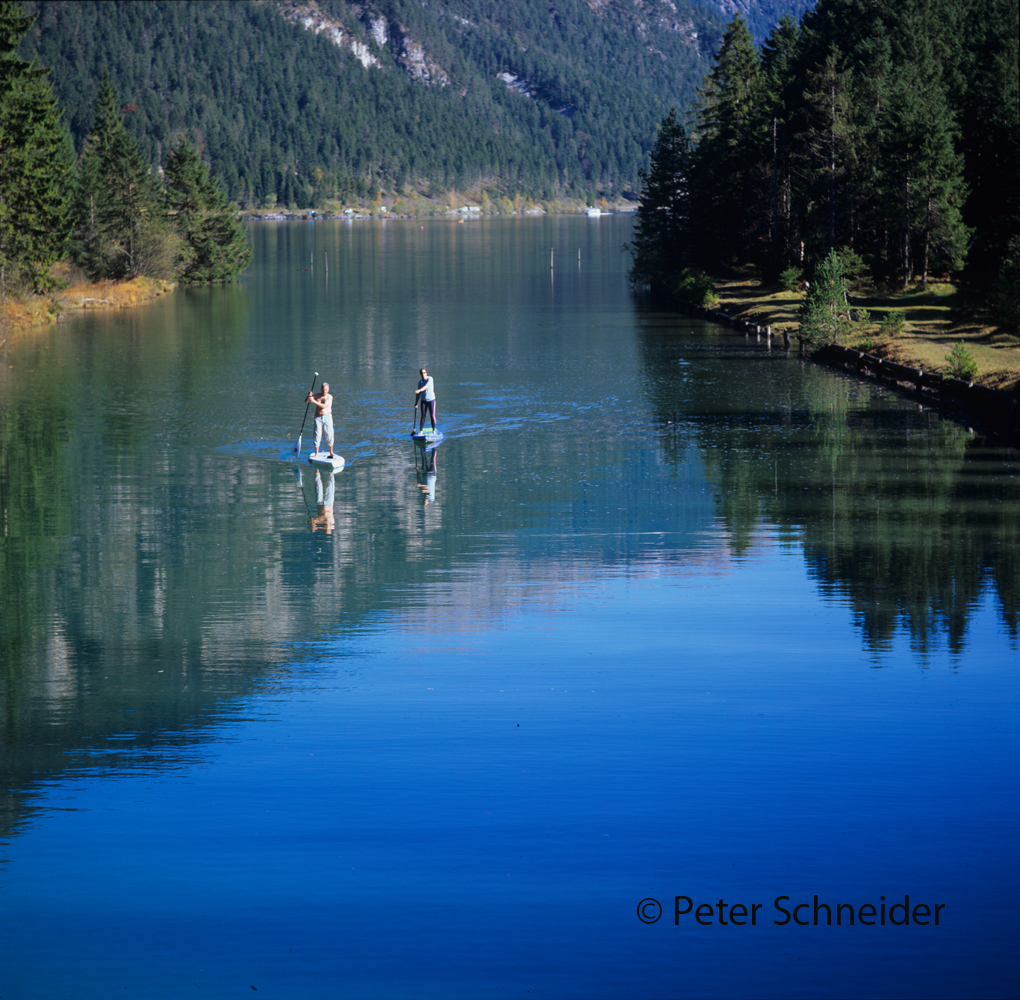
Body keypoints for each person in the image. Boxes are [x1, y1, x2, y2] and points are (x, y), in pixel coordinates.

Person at [306, 381, 335, 458]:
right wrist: (309, 396)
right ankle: (316, 453)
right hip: (318, 417)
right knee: (317, 435)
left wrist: (313, 401)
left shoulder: (329, 397)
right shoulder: (317, 395)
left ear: (328, 390)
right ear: (321, 389)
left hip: (327, 417)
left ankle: (331, 452)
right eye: (322, 389)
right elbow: (307, 401)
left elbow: (324, 406)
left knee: (329, 434)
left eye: (325, 390)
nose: (324, 391)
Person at [415, 367, 436, 433]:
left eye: (424, 373)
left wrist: (419, 390)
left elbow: (425, 387)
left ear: (426, 373)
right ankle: (421, 431)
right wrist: (416, 403)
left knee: (432, 415)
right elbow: (418, 394)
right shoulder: (420, 382)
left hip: (431, 400)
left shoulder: (430, 379)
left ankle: (433, 430)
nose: (423, 374)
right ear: (420, 374)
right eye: (421, 373)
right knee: (423, 416)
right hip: (423, 401)